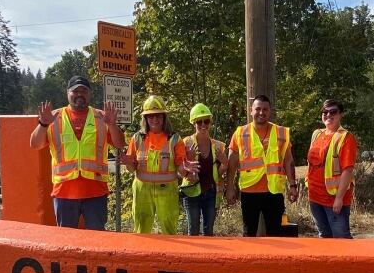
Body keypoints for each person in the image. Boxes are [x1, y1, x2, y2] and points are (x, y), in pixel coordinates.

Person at [29, 76, 125, 230]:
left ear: (90, 94)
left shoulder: (102, 117)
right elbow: (34, 144)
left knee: (96, 241)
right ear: (68, 93)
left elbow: (120, 143)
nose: (80, 94)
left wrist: (112, 125)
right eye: (75, 91)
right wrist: (42, 124)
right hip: (64, 193)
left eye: (84, 91)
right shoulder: (54, 117)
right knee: (67, 242)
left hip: (95, 192)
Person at [121, 95, 198, 234]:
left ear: (164, 117)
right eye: (151, 116)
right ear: (145, 118)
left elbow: (181, 167)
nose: (155, 119)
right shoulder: (137, 138)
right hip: (142, 191)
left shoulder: (174, 139)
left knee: (169, 229)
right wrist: (128, 163)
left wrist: (185, 168)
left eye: (158, 116)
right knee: (141, 229)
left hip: (167, 191)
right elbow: (132, 169)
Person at [226, 95, 298, 237]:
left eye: (265, 109)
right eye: (258, 109)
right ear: (251, 110)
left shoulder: (281, 133)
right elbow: (232, 162)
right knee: (249, 234)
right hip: (249, 191)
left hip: (274, 192)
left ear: (270, 111)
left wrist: (293, 186)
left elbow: (288, 161)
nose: (261, 112)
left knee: (275, 234)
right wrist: (229, 188)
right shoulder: (240, 133)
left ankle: (274, 259)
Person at [306, 99, 357, 238]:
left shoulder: (346, 138)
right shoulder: (317, 134)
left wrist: (339, 198)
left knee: (341, 238)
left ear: (341, 114)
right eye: (325, 112)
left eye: (333, 112)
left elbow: (348, 170)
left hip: (334, 199)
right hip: (315, 196)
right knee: (324, 237)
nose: (328, 115)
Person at [179, 103, 228, 236]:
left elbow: (218, 173)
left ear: (210, 122)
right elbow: (181, 172)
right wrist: (188, 159)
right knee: (193, 230)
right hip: (191, 193)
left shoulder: (218, 146)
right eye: (199, 122)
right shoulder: (185, 143)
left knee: (209, 232)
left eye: (206, 121)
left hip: (210, 193)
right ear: (193, 123)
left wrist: (224, 163)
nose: (203, 125)